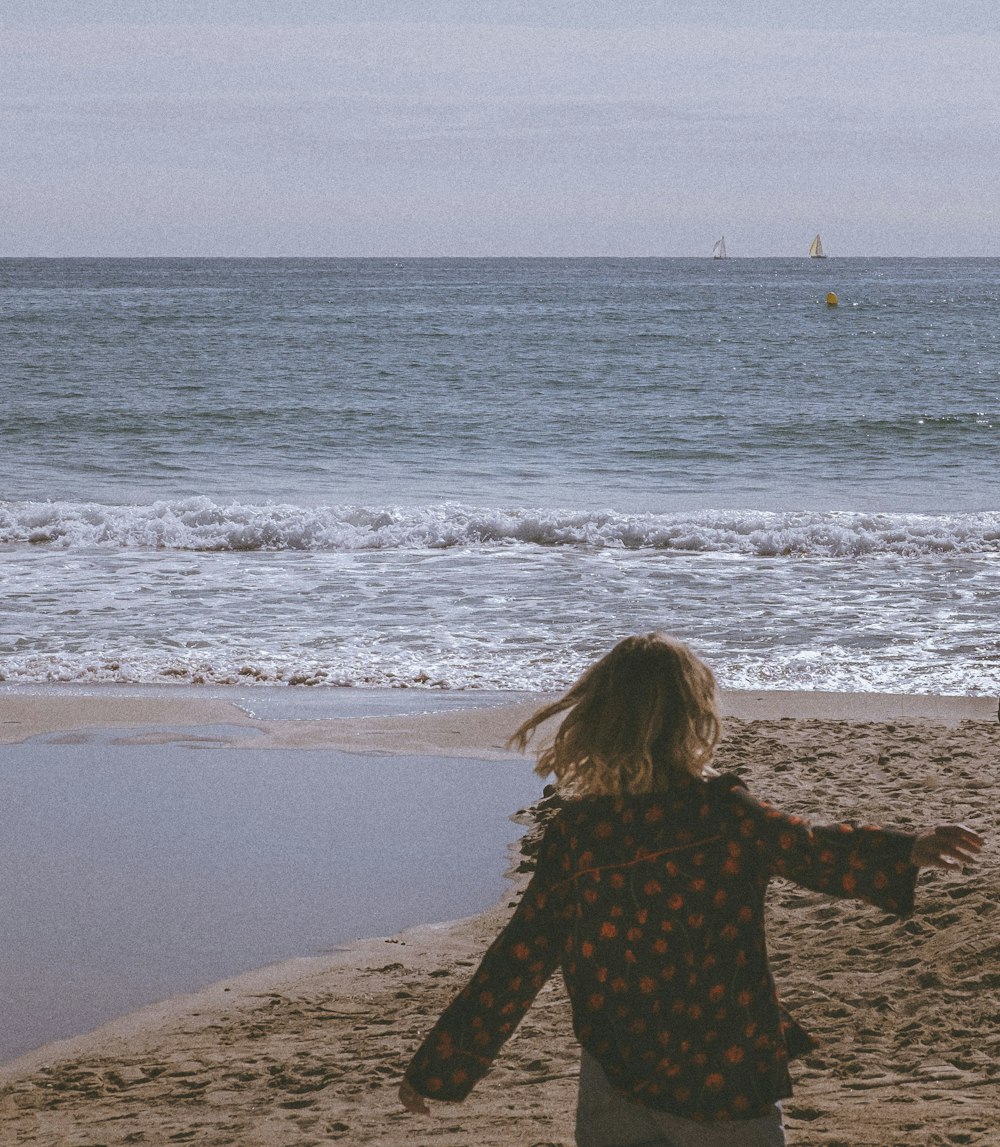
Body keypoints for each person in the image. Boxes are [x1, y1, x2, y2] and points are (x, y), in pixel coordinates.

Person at [398, 634, 983, 1146]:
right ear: (693, 716)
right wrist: (908, 846)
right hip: (722, 1074)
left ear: (600, 719)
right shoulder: (723, 816)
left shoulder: (580, 834)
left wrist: (440, 1068)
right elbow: (814, 850)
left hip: (615, 1076)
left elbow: (520, 955)